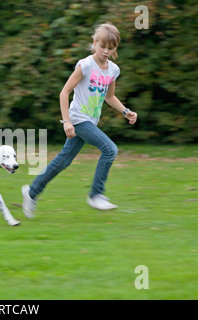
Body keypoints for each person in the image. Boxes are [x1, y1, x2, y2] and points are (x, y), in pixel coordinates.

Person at [22, 23, 137, 218]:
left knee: (63, 161)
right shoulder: (85, 65)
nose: (106, 51)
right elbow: (64, 92)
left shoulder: (113, 70)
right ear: (95, 43)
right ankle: (96, 194)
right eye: (102, 46)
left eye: (111, 48)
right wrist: (67, 121)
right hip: (78, 118)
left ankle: (31, 192)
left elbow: (109, 97)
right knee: (110, 150)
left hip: (90, 121)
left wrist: (125, 111)